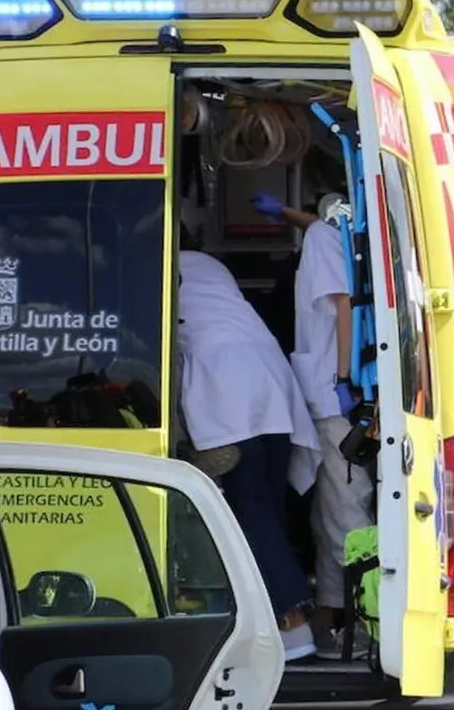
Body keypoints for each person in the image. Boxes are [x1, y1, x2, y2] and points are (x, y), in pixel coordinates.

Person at [176, 239, 322, 661]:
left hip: (223, 385)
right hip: (269, 377)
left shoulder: (157, 261)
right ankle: (282, 620)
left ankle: (292, 622)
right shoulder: (209, 264)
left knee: (249, 512)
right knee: (270, 508)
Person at [251, 192, 374, 659]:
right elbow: (322, 227)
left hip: (332, 393)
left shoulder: (324, 237)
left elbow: (343, 303)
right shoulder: (344, 230)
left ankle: (355, 624)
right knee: (333, 511)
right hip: (334, 391)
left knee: (343, 511)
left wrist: (344, 377)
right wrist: (285, 213)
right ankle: (336, 612)